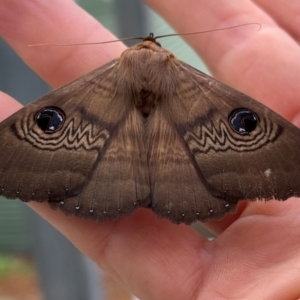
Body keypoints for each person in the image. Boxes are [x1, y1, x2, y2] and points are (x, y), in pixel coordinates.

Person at [1, 0, 300, 299]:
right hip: (185, 177)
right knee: (242, 120)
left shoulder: (102, 79)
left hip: (105, 176)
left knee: (48, 121)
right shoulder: (192, 82)